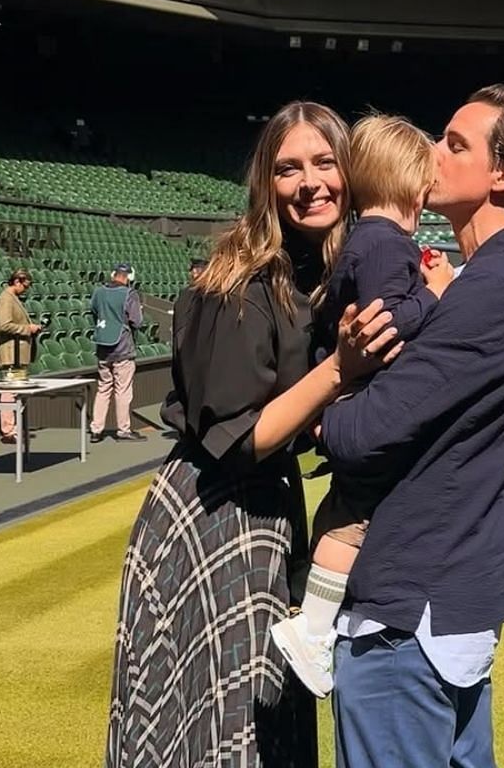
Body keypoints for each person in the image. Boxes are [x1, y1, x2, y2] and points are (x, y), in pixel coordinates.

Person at [103, 101, 400, 768]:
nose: (310, 182)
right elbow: (239, 439)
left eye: (325, 163)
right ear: (266, 185)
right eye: (288, 169)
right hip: (214, 515)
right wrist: (339, 369)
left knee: (268, 723)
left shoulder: (323, 276)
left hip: (268, 511)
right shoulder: (236, 280)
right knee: (224, 733)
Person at [318, 84, 504, 768]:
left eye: (455, 143)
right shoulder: (494, 278)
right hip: (444, 613)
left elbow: (358, 436)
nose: (432, 152)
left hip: (409, 624)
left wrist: (331, 392)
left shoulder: (493, 289)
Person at [269, 112, 455, 697]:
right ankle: (314, 632)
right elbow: (383, 328)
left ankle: (311, 611)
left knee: (344, 511)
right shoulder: (382, 243)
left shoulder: (370, 240)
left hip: (346, 399)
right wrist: (433, 296)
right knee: (357, 520)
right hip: (357, 400)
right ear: (409, 183)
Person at [89, 263, 146, 443]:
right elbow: (136, 321)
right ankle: (124, 429)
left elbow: (94, 312)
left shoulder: (98, 292)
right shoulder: (130, 294)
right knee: (123, 391)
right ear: (128, 277)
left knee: (103, 388)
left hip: (102, 348)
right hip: (122, 348)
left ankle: (96, 429)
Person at [0, 269, 41, 443]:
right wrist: (27, 329)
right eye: (25, 285)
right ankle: (8, 429)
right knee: (9, 392)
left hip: (18, 353)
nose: (26, 290)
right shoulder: (6, 299)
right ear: (17, 281)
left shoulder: (13, 298)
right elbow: (4, 325)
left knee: (15, 391)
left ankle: (13, 426)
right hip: (11, 353)